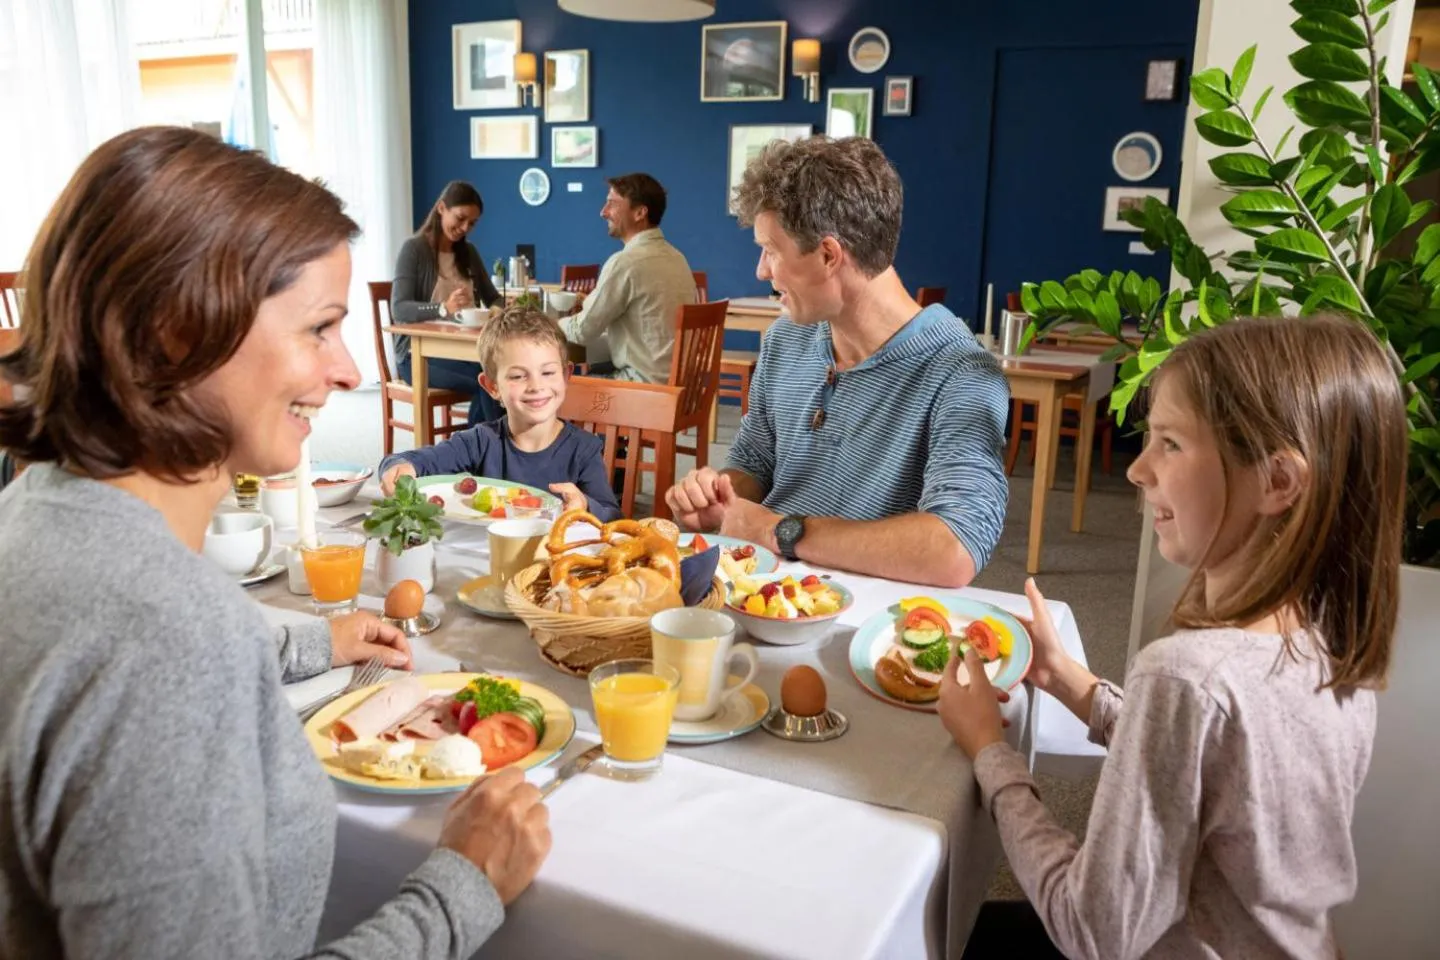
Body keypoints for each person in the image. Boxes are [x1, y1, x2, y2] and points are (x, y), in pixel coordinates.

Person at [0, 127, 551, 957]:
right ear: (182, 330)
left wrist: (304, 641)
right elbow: (156, 656)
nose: (350, 371)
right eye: (321, 328)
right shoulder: (165, 636)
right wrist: (462, 886)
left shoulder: (35, 513)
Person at [941, 315, 1404, 959]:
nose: (1136, 471)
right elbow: (1214, 766)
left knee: (943, 928)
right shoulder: (1332, 642)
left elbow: (1092, 932)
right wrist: (1072, 682)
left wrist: (989, 750)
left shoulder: (1186, 675)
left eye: (1170, 443)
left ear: (1276, 482)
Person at [664, 137, 1008, 588]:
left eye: (770, 250)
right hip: (762, 594)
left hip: (864, 620)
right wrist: (723, 495)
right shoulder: (788, 338)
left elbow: (954, 549)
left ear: (829, 255)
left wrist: (776, 529)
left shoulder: (961, 373)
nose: (761, 271)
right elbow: (754, 460)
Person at [378, 306, 621, 521]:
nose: (536, 386)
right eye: (517, 376)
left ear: (566, 376)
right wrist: (399, 467)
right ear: (492, 387)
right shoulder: (481, 441)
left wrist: (585, 505)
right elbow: (413, 461)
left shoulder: (584, 449)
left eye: (548, 373)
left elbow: (612, 516)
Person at [559, 173, 696, 383]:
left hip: (640, 391)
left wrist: (552, 324)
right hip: (679, 390)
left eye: (612, 204)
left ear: (640, 212)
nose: (603, 212)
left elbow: (582, 331)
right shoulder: (678, 258)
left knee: (558, 387)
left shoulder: (625, 262)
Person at [390, 180, 504, 424]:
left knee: (500, 374)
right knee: (487, 380)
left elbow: (493, 297)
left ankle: (476, 451)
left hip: (465, 350)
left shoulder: (469, 253)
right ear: (442, 208)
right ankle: (489, 451)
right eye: (460, 218)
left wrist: (495, 310)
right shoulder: (413, 250)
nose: (464, 227)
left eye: (471, 223)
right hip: (417, 356)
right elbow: (399, 307)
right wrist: (442, 308)